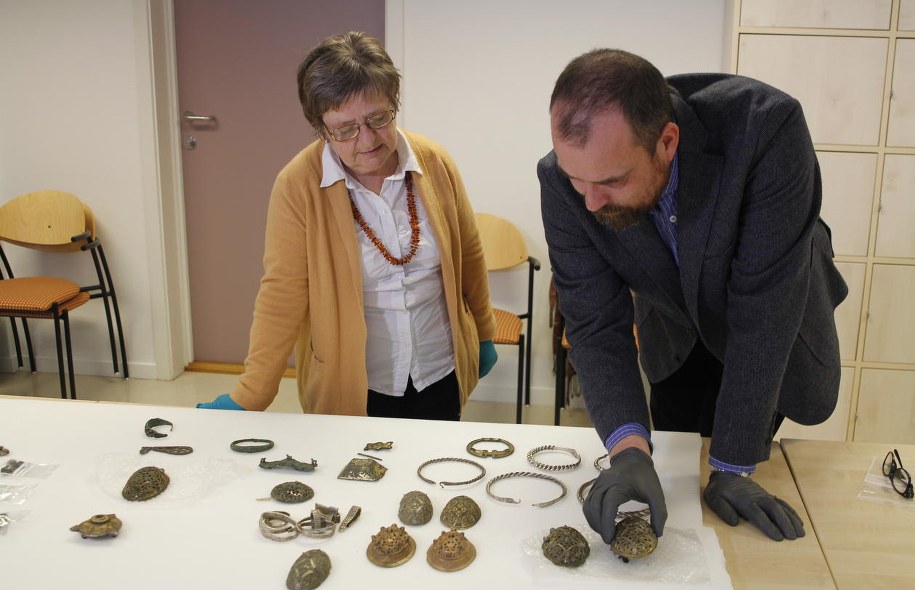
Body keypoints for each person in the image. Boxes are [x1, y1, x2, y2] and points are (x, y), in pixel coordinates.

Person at [538, 49, 847, 542]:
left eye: (612, 181)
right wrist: (628, 449)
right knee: (677, 459)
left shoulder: (767, 132)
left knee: (731, 483)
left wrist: (733, 465)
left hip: (768, 313)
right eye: (580, 182)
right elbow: (595, 323)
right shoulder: (563, 179)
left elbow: (763, 312)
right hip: (673, 324)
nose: (591, 202)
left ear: (667, 142)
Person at [197, 32, 496, 420]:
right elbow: (282, 292)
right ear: (321, 128)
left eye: (378, 118)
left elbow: (468, 251)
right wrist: (253, 391)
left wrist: (484, 332)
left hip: (439, 371)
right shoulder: (298, 185)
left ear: (394, 104)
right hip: (353, 387)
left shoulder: (434, 162)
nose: (367, 139)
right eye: (345, 129)